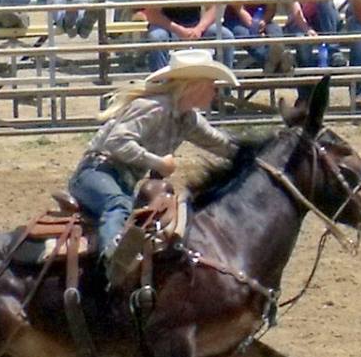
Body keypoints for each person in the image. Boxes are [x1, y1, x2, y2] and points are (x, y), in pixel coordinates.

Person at [68, 49, 237, 289]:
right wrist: (158, 163)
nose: (215, 91)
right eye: (212, 85)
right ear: (196, 85)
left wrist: (256, 154)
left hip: (119, 180)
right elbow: (116, 142)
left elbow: (221, 143)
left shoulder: (187, 119)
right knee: (118, 205)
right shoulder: (153, 107)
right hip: (95, 172)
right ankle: (113, 261)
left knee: (136, 213)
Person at [282, 0, 347, 97]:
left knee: (324, 3)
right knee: (302, 42)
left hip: (325, 21)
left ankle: (333, 51)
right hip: (301, 21)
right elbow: (295, 9)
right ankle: (306, 95)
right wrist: (307, 29)